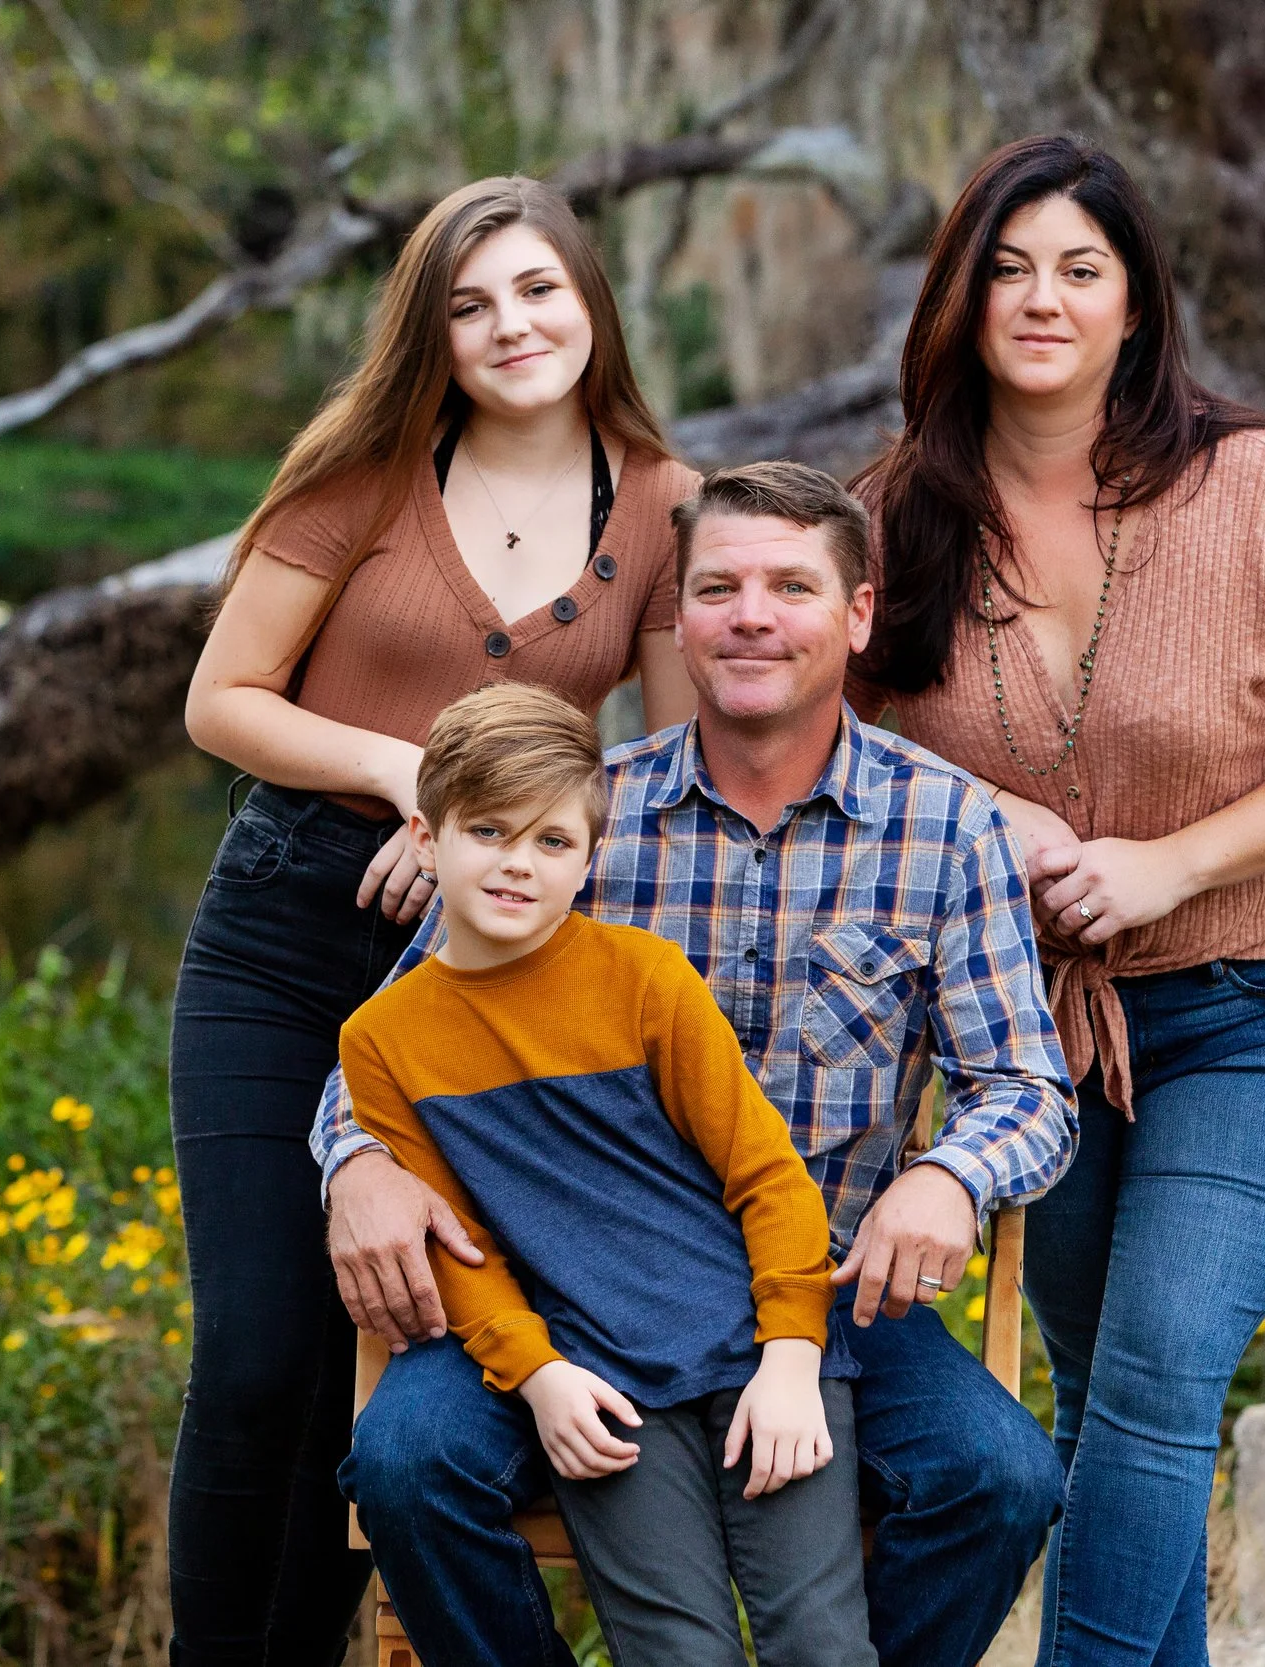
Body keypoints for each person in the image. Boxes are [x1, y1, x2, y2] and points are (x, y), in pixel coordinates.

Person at [317, 461, 1077, 1667]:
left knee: (997, 1476)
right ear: (684, 616)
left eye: (791, 585)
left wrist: (950, 1178)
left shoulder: (947, 826)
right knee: (406, 1465)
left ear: (859, 614)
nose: (752, 614)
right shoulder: (568, 818)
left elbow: (1028, 1088)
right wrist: (356, 1166)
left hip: (823, 1282)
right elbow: (398, 1043)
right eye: (717, 586)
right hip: (566, 1285)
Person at [851, 135, 1265, 1667]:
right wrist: (989, 813)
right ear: (960, 298)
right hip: (1032, 1038)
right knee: (1109, 1384)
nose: (1043, 298)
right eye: (1009, 266)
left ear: (1133, 306)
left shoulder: (1259, 487)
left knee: (1163, 1365)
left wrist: (1169, 863)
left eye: (1081, 269)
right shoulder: (892, 516)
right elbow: (824, 748)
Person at [169, 175, 700, 1664]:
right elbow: (224, 701)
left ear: (590, 301)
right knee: (261, 1349)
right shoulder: (361, 472)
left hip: (487, 968)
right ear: (431, 332)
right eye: (469, 304)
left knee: (383, 1335)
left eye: (537, 290)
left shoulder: (660, 500)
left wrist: (498, 850)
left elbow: (651, 770)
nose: (509, 325)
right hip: (287, 934)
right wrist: (413, 775)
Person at [341, 683, 874, 1667]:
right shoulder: (382, 1039)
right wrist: (538, 1378)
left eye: (552, 841)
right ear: (425, 836)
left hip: (758, 1347)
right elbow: (453, 1245)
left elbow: (769, 1176)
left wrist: (793, 1356)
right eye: (488, 829)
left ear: (589, 860)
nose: (516, 862)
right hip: (599, 1379)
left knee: (821, 1640)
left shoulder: (643, 976)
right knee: (676, 1648)